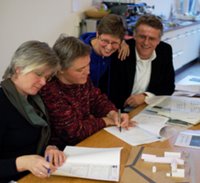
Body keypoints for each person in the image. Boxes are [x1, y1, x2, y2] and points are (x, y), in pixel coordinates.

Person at [40, 35, 132, 150]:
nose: (87, 72)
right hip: (66, 151)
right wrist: (106, 121)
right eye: (80, 69)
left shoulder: (80, 78)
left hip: (89, 138)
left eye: (88, 64)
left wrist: (112, 113)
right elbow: (73, 132)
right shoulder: (50, 91)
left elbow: (96, 99)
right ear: (60, 69)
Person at [0, 40, 66, 183]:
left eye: (47, 77)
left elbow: (41, 136)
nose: (43, 82)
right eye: (38, 74)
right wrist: (23, 163)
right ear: (19, 69)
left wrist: (50, 147)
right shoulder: (3, 103)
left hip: (36, 175)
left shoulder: (34, 99)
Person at [108, 14, 175, 110]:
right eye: (142, 37)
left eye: (152, 38)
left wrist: (146, 96)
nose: (146, 43)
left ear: (159, 40)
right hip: (122, 110)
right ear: (134, 35)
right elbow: (111, 92)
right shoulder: (122, 50)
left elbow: (168, 86)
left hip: (149, 107)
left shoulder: (165, 50)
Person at [80, 14, 129, 94]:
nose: (109, 47)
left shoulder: (120, 49)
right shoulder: (79, 54)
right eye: (105, 41)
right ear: (97, 34)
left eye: (114, 43)